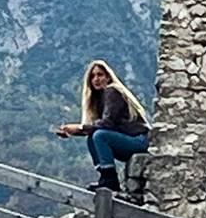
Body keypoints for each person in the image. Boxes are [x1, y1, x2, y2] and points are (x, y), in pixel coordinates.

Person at [55, 59, 149, 193]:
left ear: (108, 77)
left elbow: (107, 123)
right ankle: (105, 177)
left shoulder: (112, 91)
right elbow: (98, 126)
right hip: (128, 141)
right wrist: (73, 131)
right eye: (92, 76)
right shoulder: (99, 100)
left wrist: (80, 128)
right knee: (93, 137)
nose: (96, 79)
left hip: (140, 140)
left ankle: (110, 180)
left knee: (100, 135)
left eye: (100, 75)